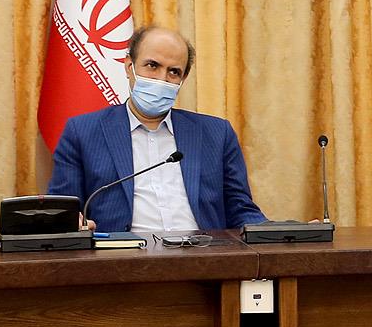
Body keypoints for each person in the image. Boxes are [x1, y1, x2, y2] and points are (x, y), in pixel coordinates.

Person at [49, 24, 266, 232]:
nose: (162, 79)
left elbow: (241, 209)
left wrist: (270, 235)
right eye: (152, 66)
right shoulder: (82, 132)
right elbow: (63, 211)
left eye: (174, 72)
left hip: (203, 252)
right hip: (122, 254)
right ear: (129, 66)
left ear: (183, 79)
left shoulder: (217, 134)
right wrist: (71, 223)